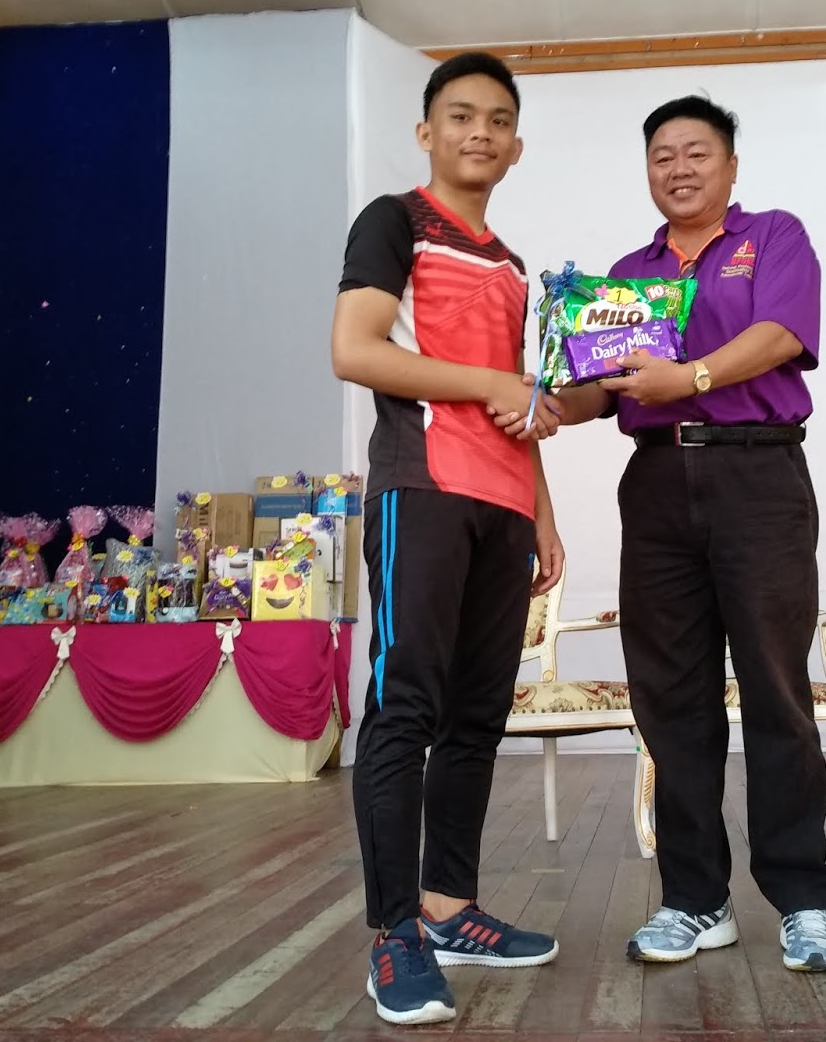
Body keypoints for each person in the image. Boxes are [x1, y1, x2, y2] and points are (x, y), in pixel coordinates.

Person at [497, 95, 826, 972]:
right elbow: (603, 389)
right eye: (663, 156)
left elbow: (780, 335)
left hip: (759, 475)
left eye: (697, 152)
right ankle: (696, 900)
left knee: (775, 688)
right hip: (656, 486)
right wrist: (543, 398)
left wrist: (688, 378)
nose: (679, 169)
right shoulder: (627, 275)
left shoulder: (773, 237)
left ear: (730, 165)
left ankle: (804, 901)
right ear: (647, 171)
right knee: (671, 697)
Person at [330, 51, 566, 1026]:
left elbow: (522, 402)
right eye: (461, 115)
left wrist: (543, 514)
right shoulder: (394, 222)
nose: (481, 131)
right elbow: (355, 350)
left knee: (476, 718)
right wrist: (494, 385)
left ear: (516, 146)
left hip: (503, 508)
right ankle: (394, 934)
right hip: (422, 490)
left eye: (498, 120)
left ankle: (448, 909)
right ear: (427, 133)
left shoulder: (514, 266)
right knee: (404, 710)